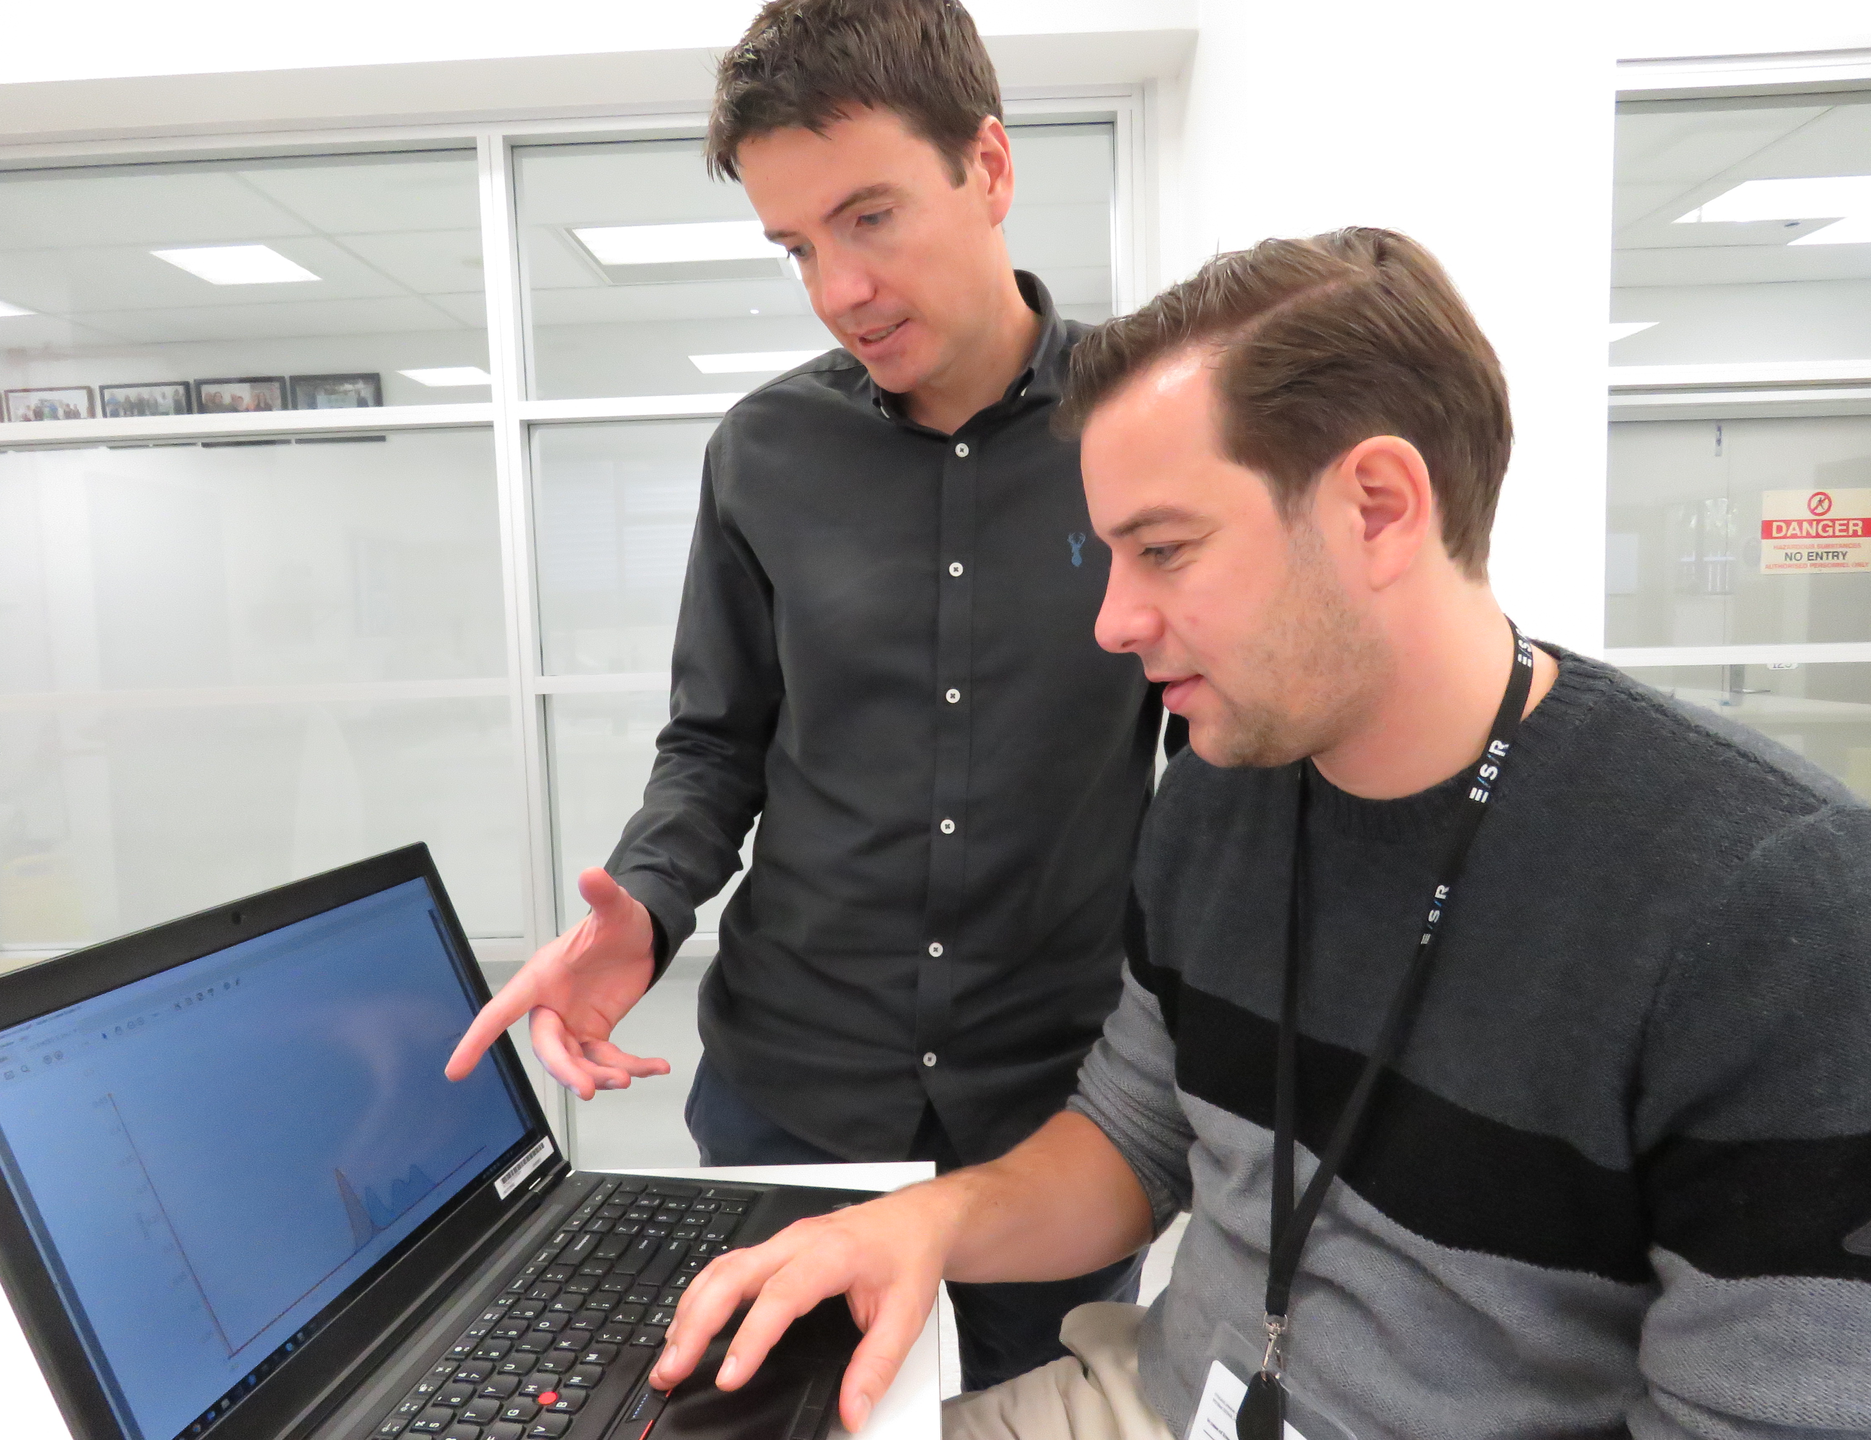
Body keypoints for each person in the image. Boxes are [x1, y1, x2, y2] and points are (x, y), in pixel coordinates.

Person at [643, 227, 1871, 1440]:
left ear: (1377, 507)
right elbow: (1131, 1143)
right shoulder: (1222, 793)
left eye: (1164, 551)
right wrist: (921, 1223)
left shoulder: (1768, 906)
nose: (1113, 622)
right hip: (1151, 1401)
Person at [446, 0, 1175, 1394]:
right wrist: (647, 911)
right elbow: (715, 744)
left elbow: (1218, 761)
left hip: (1054, 1123)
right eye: (798, 248)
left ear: (991, 169)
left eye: (871, 217)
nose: (840, 285)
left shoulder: (1146, 424)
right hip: (794, 1099)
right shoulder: (764, 452)